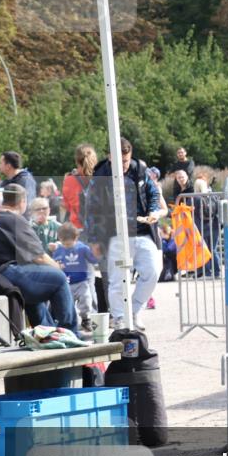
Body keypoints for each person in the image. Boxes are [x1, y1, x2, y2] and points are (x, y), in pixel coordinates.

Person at [86, 138, 165, 331]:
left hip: (143, 230)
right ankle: (119, 317)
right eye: (119, 161)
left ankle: (135, 310)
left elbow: (153, 194)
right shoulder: (100, 176)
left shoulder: (140, 170)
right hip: (115, 234)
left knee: (153, 271)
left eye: (126, 161)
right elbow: (92, 209)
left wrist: (154, 212)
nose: (123, 166)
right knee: (117, 278)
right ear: (109, 156)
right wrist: (95, 239)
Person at [0, 184, 78, 334]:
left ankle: (46, 335)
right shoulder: (14, 219)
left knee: (35, 290)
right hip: (4, 273)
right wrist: (58, 267)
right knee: (58, 279)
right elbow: (40, 257)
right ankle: (71, 334)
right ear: (23, 201)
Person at [52, 223, 100, 332]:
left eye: (70, 243)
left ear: (76, 238)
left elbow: (93, 260)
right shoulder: (58, 250)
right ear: (60, 239)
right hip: (67, 283)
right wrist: (58, 266)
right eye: (65, 243)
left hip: (82, 282)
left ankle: (86, 319)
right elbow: (54, 262)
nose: (67, 245)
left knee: (86, 300)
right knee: (68, 304)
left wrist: (96, 254)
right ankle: (69, 324)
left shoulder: (82, 248)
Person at [62, 143, 98, 230]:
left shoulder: (69, 180)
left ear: (76, 161)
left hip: (76, 229)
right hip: (98, 229)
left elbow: (67, 206)